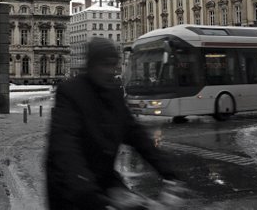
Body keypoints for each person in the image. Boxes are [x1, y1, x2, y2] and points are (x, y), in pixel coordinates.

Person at [45, 37, 180, 210]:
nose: (110, 70)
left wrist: (169, 174)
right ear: (92, 65)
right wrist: (95, 196)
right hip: (70, 188)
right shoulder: (70, 92)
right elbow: (65, 148)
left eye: (113, 64)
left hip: (103, 179)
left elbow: (136, 134)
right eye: (104, 65)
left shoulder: (114, 93)